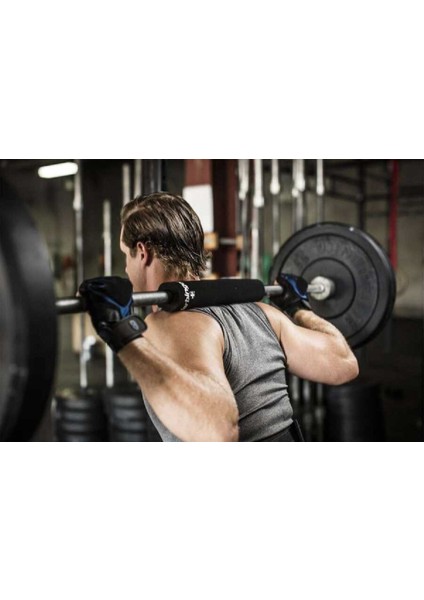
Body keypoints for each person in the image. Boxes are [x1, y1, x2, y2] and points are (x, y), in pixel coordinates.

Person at [79, 192, 359, 442]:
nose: (126, 269)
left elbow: (218, 431)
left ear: (142, 253)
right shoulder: (261, 312)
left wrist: (123, 335)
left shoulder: (168, 325)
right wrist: (299, 308)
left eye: (125, 256)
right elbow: (344, 362)